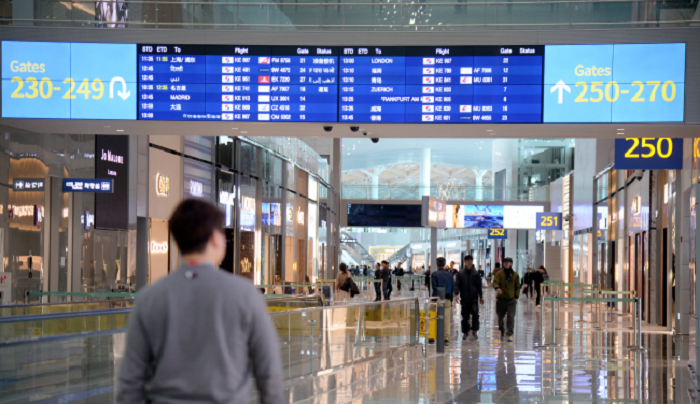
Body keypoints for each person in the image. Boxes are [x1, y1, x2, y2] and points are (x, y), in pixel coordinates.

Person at [117, 199, 282, 404]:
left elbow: (130, 382)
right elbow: (270, 373)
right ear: (214, 238)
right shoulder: (245, 295)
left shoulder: (149, 298)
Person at [454, 255, 484, 341]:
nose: (469, 262)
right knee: (465, 316)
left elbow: (479, 286)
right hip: (465, 298)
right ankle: (465, 332)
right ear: (465, 262)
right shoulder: (460, 273)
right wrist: (456, 294)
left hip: (474, 297)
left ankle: (474, 330)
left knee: (475, 314)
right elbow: (457, 285)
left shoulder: (476, 273)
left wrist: (481, 296)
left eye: (471, 260)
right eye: (468, 261)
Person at [492, 257, 521, 342]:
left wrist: (516, 297)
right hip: (501, 299)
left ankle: (510, 333)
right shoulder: (499, 274)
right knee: (500, 317)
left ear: (511, 263)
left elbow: (517, 287)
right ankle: (502, 330)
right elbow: (495, 281)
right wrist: (497, 288)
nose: (506, 263)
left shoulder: (515, 275)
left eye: (508, 262)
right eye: (505, 262)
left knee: (511, 316)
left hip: (511, 300)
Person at [430, 257, 454, 346]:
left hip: (437, 299)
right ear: (444, 264)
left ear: (437, 264)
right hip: (447, 299)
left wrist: (436, 299)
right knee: (446, 320)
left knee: (432, 317)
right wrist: (451, 299)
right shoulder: (450, 275)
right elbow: (452, 288)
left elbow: (434, 287)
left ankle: (431, 337)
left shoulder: (434, 274)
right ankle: (446, 339)